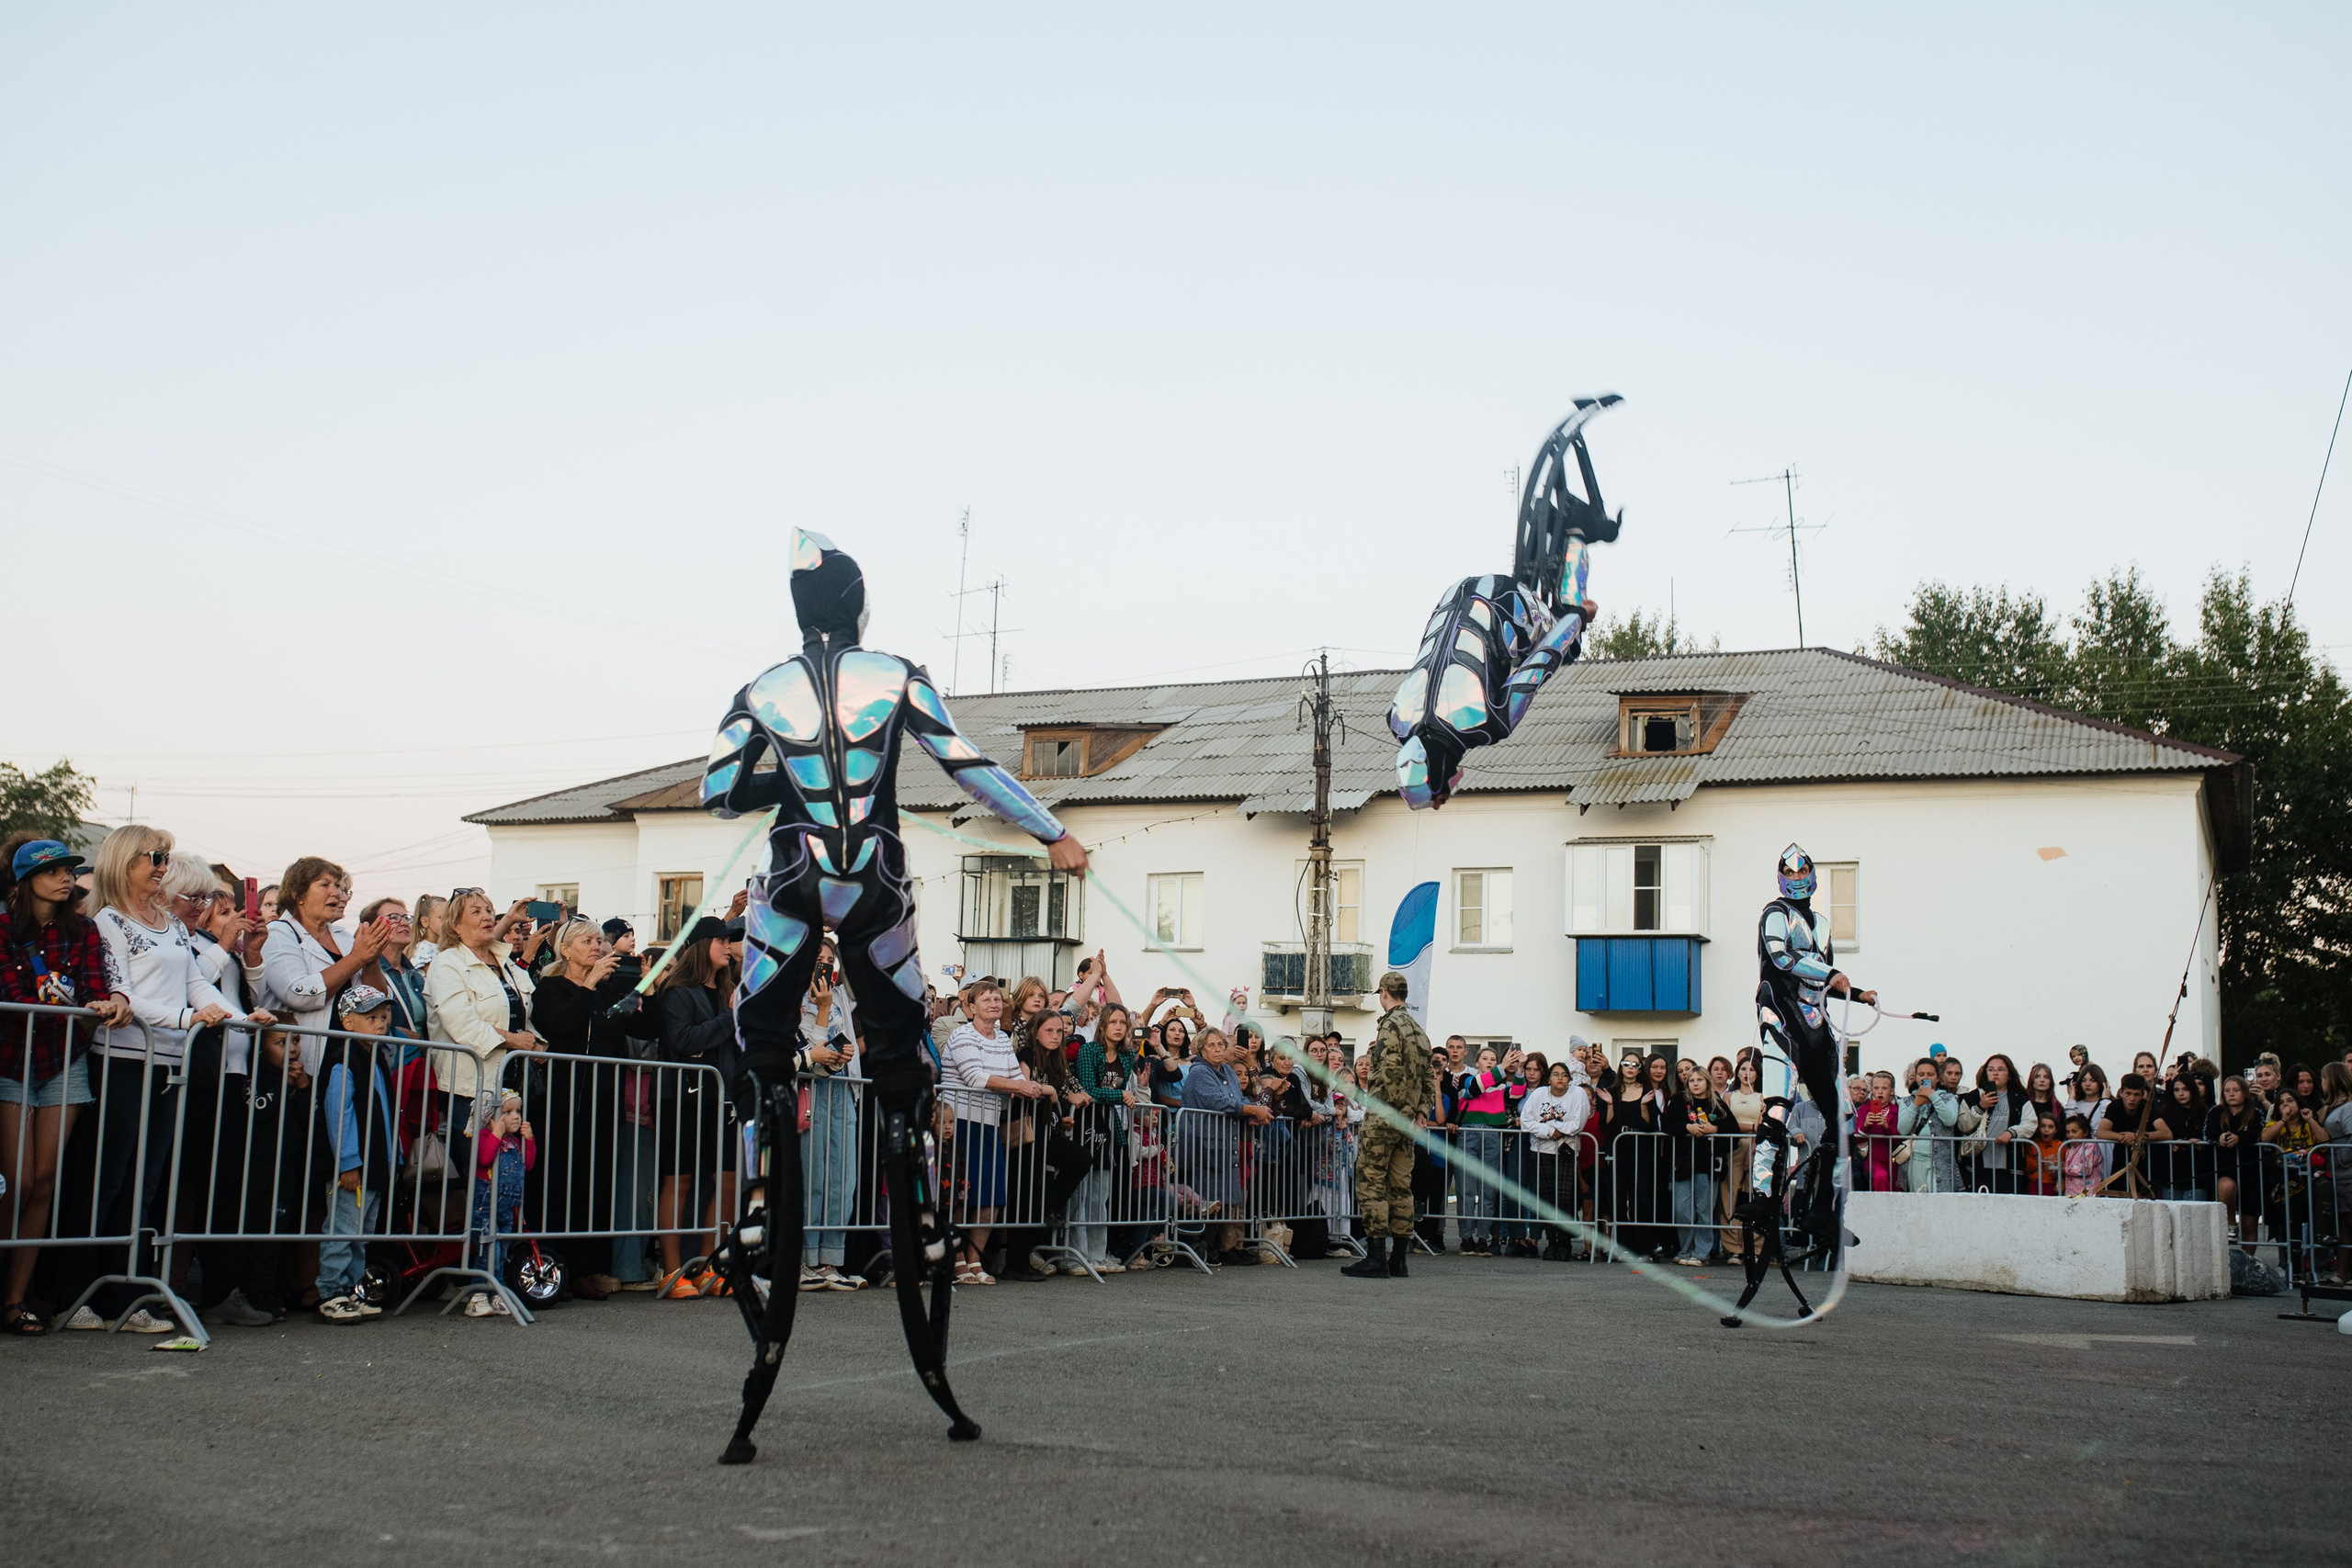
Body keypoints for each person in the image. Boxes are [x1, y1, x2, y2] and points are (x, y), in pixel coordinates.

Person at [701, 529, 1086, 1457]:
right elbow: (965, 763)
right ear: (858, 604)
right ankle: (912, 1189)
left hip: (792, 869)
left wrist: (788, 784)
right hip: (873, 870)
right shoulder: (896, 671)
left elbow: (717, 789)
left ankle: (760, 1179)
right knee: (895, 1029)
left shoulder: (760, 687)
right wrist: (1051, 833)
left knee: (760, 1032)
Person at [52, 826, 273, 1333]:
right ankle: (75, 1294)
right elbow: (120, 991)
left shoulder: (169, 924)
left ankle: (126, 1296)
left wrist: (238, 1018)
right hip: (123, 1060)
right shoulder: (107, 921)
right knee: (103, 1182)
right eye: (154, 856)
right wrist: (183, 1019)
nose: (161, 865)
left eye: (165, 856)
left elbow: (196, 982)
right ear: (125, 860)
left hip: (168, 1065)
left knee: (145, 1187)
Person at [1386, 400, 1613, 808]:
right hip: (1456, 594)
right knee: (1513, 638)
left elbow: (1540, 664)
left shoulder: (1487, 724)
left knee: (1567, 639)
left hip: (1511, 609)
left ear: (1440, 773)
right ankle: (1554, 558)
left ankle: (1578, 531)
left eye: (1440, 794)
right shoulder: (1397, 718)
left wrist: (1578, 619)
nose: (1444, 799)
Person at [0, 839, 133, 1334]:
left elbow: (96, 987)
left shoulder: (85, 929)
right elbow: (10, 993)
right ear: (25, 879)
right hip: (11, 1058)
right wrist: (71, 1006)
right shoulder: (2, 926)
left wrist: (110, 1003)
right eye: (53, 870)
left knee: (45, 1181)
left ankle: (17, 1298)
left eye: (68, 869)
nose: (65, 878)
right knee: (18, 1182)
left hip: (63, 1059)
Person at [1754, 845, 1871, 1252]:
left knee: (1842, 1117)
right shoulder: (1774, 913)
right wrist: (1833, 973)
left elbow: (1824, 982)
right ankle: (1760, 1198)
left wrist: (1856, 994)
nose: (1799, 879)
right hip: (1781, 1018)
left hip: (1816, 1024)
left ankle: (1820, 1208)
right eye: (1792, 873)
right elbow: (1781, 959)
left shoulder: (1821, 923)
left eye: (1805, 873)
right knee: (1777, 1108)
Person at [529, 917, 649, 1297]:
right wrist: (589, 983)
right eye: (588, 941)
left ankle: (590, 1265)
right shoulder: (550, 987)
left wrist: (653, 988)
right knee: (565, 1181)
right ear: (565, 949)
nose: (598, 947)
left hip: (603, 1100)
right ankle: (560, 1265)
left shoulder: (606, 990)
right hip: (565, 1100)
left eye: (601, 941)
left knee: (598, 1181)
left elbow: (646, 1029)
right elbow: (563, 1026)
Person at [652, 917, 740, 1296]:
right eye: (721, 939)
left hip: (726, 1097)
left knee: (727, 1182)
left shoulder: (727, 990)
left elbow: (722, 1041)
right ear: (703, 944)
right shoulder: (677, 990)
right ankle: (672, 1272)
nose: (727, 946)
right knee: (680, 1180)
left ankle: (708, 1267)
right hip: (683, 1098)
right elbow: (685, 1041)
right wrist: (730, 1018)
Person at [944, 981, 1048, 1286]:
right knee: (958, 1196)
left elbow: (1015, 1075)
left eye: (997, 999)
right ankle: (956, 1260)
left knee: (991, 1198)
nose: (994, 1003)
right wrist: (1020, 1087)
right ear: (971, 1007)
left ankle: (975, 1259)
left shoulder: (1002, 1039)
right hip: (959, 1123)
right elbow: (975, 1077)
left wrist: (1029, 1086)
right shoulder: (962, 1035)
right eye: (986, 999)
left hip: (989, 1123)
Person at [1342, 972, 1435, 1280]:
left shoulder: (1390, 1026)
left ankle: (1376, 1257)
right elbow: (1427, 1080)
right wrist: (1419, 1111)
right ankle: (1399, 1259)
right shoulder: (1420, 1032)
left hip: (1386, 1117)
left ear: (1384, 993)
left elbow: (1389, 1073)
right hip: (1407, 1120)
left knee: (1370, 1181)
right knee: (1400, 1186)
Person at [312, 985, 396, 1325]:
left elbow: (386, 1115)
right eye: (371, 1017)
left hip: (374, 1165)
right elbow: (339, 1113)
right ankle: (331, 1291)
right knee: (343, 1228)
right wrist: (348, 1163)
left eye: (384, 1017)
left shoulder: (377, 1060)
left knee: (360, 1233)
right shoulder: (343, 1060)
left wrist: (394, 1158)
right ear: (348, 1023)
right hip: (353, 1168)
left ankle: (351, 1289)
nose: (381, 1024)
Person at [1179, 1028, 1270, 1265]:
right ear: (1201, 1049)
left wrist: (1254, 1111)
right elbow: (1221, 1102)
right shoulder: (1199, 1072)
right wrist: (1252, 1110)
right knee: (1203, 1198)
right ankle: (1197, 1249)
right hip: (1202, 1144)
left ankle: (1211, 1249)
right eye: (1212, 1046)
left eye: (1221, 1045)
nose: (1218, 1049)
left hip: (1224, 1143)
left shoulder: (1228, 1070)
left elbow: (1237, 1100)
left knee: (1222, 1198)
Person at [466, 1089, 535, 1317]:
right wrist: (495, 1133)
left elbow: (528, 1164)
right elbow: (485, 1158)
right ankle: (477, 1295)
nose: (516, 1116)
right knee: (488, 1248)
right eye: (508, 1112)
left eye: (517, 1111)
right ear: (490, 1117)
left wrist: (529, 1140)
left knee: (502, 1248)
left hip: (506, 1204)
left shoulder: (514, 1142)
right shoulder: (485, 1137)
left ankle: (496, 1292)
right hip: (485, 1202)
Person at [1665, 1061, 1736, 1265]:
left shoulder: (1717, 1103)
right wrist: (1687, 1127)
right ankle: (1685, 1250)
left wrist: (1716, 1129)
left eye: (1699, 1080)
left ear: (1707, 1082)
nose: (1695, 1084)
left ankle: (1702, 1253)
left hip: (1708, 1165)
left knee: (1704, 1210)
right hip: (1683, 1163)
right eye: (1691, 1080)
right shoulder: (1679, 1101)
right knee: (1682, 1209)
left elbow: (1733, 1128)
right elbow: (1668, 1124)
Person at [1453, 1043, 1517, 1256]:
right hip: (1468, 1134)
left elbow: (1516, 1093)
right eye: (1485, 1059)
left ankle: (1483, 1238)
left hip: (1492, 1135)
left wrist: (1519, 1069)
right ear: (1476, 1062)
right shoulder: (1467, 1079)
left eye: (1493, 1059)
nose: (1489, 1062)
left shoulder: (1500, 1087)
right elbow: (1474, 1090)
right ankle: (1466, 1238)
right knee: (1466, 1190)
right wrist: (1502, 1068)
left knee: (1488, 1193)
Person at [1520, 1059, 1586, 1260]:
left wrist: (1558, 1130)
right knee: (1547, 1199)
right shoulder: (1539, 1094)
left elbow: (1578, 1123)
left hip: (1566, 1151)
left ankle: (1564, 1243)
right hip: (1541, 1152)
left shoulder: (1578, 1094)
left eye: (1564, 1075)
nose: (1560, 1078)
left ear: (1569, 1079)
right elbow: (1526, 1121)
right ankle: (1551, 1242)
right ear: (1548, 1078)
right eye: (1556, 1075)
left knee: (1564, 1200)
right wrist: (1549, 1131)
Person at [2094, 1075, 2173, 1195]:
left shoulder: (2146, 1108)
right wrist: (2122, 1137)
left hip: (2143, 1165)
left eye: (2136, 1095)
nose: (2132, 1099)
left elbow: (2167, 1133)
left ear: (2143, 1095)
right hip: (2120, 1163)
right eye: (2128, 1094)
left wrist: (2138, 1136)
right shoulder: (2115, 1107)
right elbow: (2101, 1133)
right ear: (2121, 1093)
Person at [1971, 1055, 2034, 1194]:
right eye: (1991, 1069)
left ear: (2009, 1074)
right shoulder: (1974, 1096)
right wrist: (1981, 1106)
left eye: (2000, 1069)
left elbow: (2030, 1123)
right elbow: (1964, 1125)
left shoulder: (2020, 1098)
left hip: (2009, 1165)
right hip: (1979, 1163)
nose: (1995, 1073)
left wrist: (2011, 1132)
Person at [1898, 1057, 1961, 1194]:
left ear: (1938, 1078)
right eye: (1921, 1075)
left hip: (1940, 1160)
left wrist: (1933, 1097)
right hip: (1915, 1160)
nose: (1925, 1078)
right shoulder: (1907, 1101)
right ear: (1916, 1078)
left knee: (1938, 1202)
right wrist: (1916, 1104)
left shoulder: (1949, 1098)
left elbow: (1950, 1120)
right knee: (1917, 1201)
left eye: (1930, 1075)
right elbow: (1902, 1129)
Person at [1852, 1072, 1900, 1192]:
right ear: (1871, 1090)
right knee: (1880, 1177)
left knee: (1896, 1187)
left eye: (1884, 1088)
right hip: (1873, 1158)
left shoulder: (1897, 1110)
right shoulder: (1864, 1110)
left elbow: (1899, 1138)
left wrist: (1886, 1126)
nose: (1880, 1092)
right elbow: (1857, 1137)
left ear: (1892, 1091)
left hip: (1894, 1159)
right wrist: (1866, 1126)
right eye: (1876, 1088)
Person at [2060, 1113, 2104, 1196]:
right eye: (2068, 1132)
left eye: (2074, 1131)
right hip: (2072, 1193)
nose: (2070, 1135)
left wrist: (2064, 1169)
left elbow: (2085, 1169)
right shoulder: (2070, 1150)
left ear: (2086, 1132)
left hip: (2088, 1194)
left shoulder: (2090, 1146)